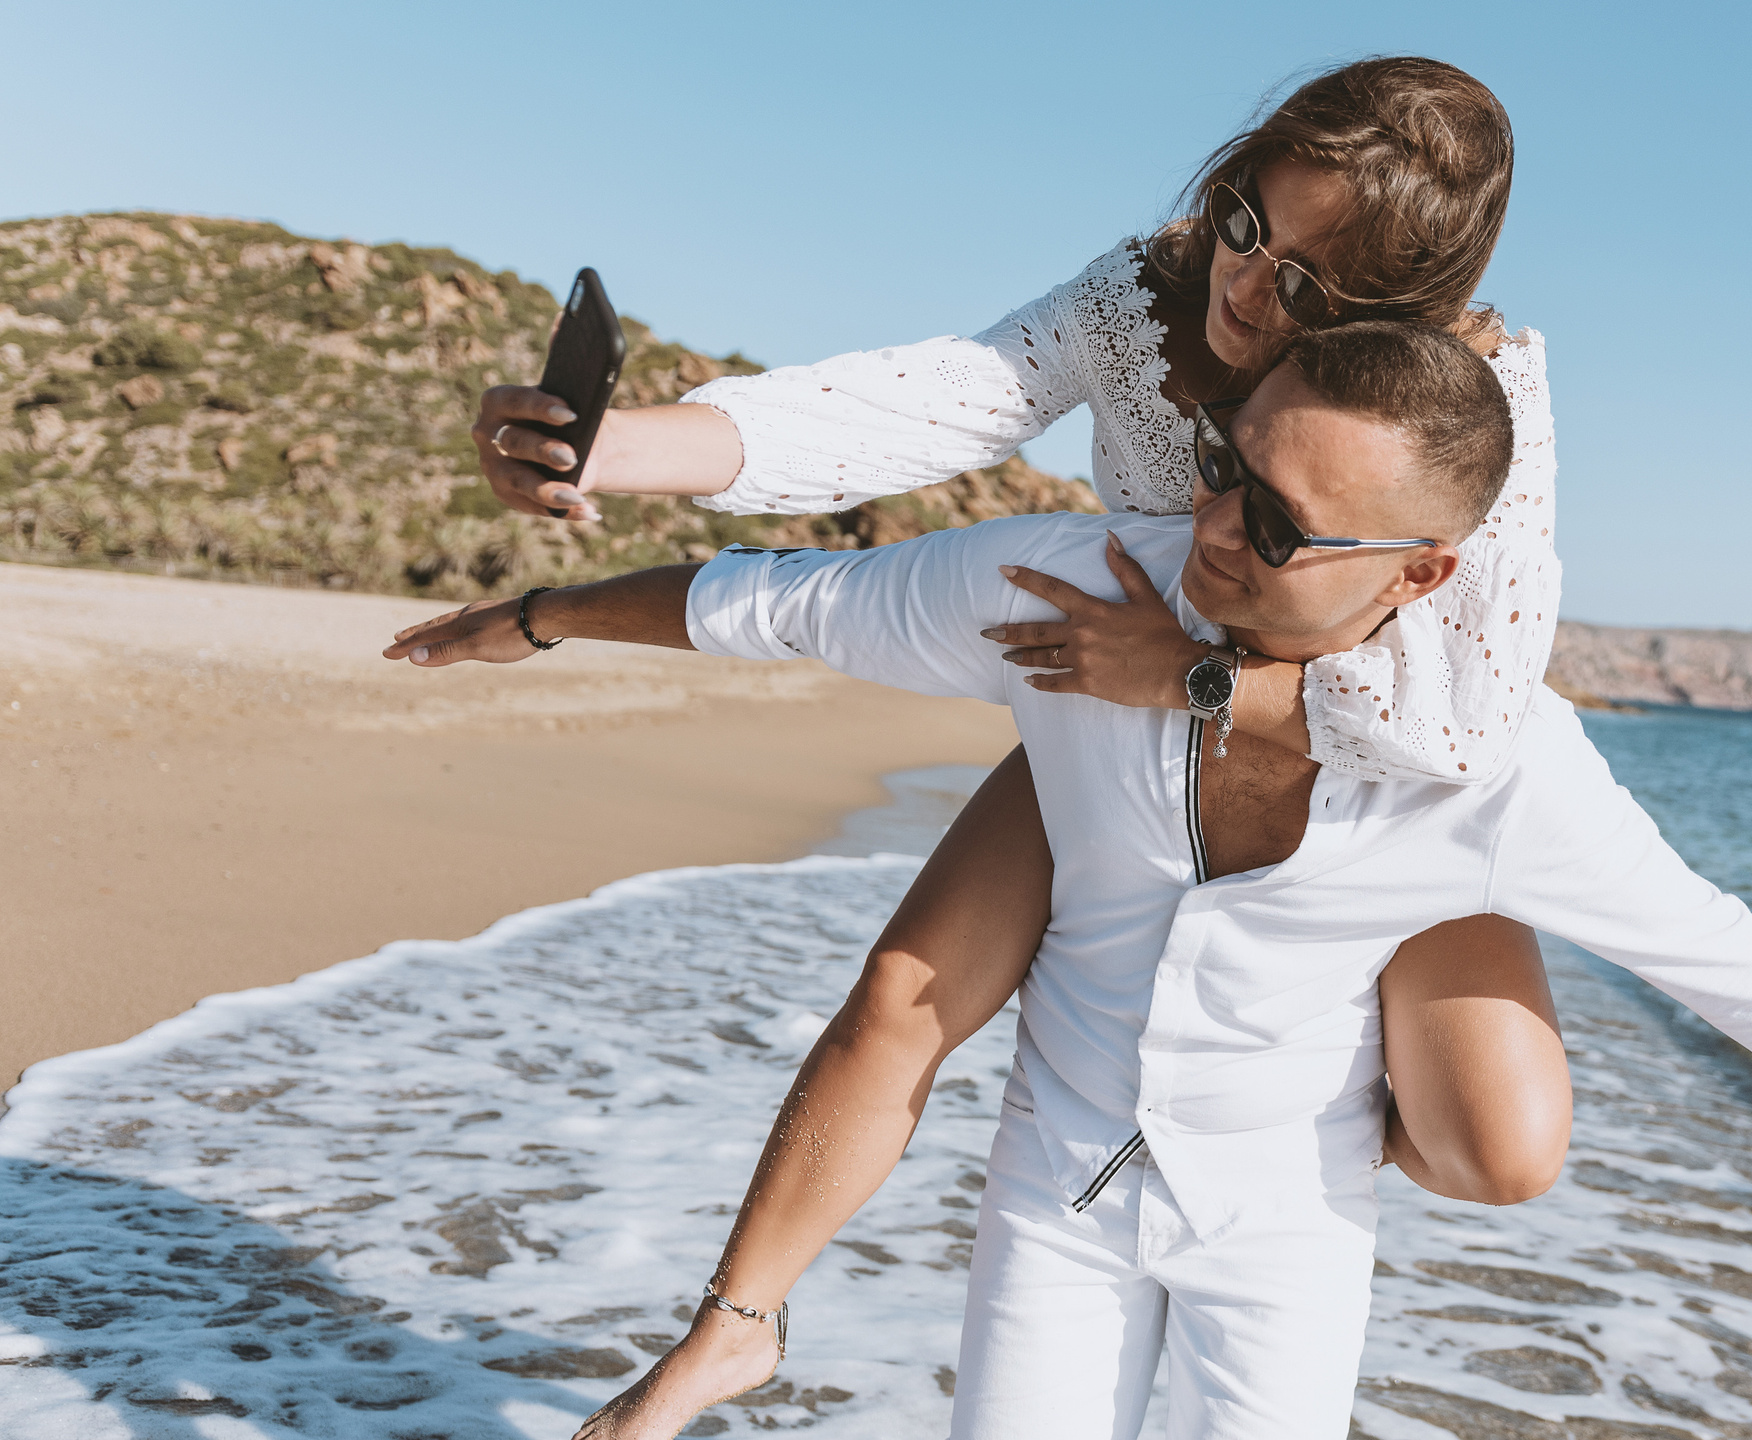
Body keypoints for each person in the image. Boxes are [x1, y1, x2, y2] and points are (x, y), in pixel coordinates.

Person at [390, 323, 1752, 1440]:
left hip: (1289, 1217)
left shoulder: (1500, 767)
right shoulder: (1069, 588)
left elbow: (1730, 961)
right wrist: (537, 615)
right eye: (1225, 469)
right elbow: (770, 600)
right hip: (1060, 1182)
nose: (1215, 531)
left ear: (1422, 572)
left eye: (1280, 528)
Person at [461, 57, 1579, 1200]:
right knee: (901, 996)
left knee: (1502, 1154)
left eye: (1306, 288)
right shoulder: (1142, 297)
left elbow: (1470, 722)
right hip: (1126, 727)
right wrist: (612, 451)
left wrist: (1184, 677)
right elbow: (929, 401)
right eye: (1246, 219)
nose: (1244, 287)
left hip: (1353, 778)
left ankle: (1291, 1130)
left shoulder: (1478, 401)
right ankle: (726, 1336)